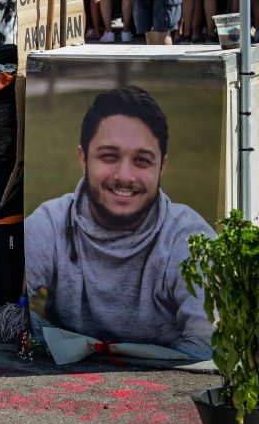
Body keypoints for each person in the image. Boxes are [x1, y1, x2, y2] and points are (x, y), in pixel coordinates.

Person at [25, 87, 215, 360]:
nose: (124, 176)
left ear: (162, 166)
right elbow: (6, 307)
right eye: (109, 156)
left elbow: (209, 344)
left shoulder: (189, 238)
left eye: (141, 160)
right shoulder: (51, 222)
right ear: (83, 158)